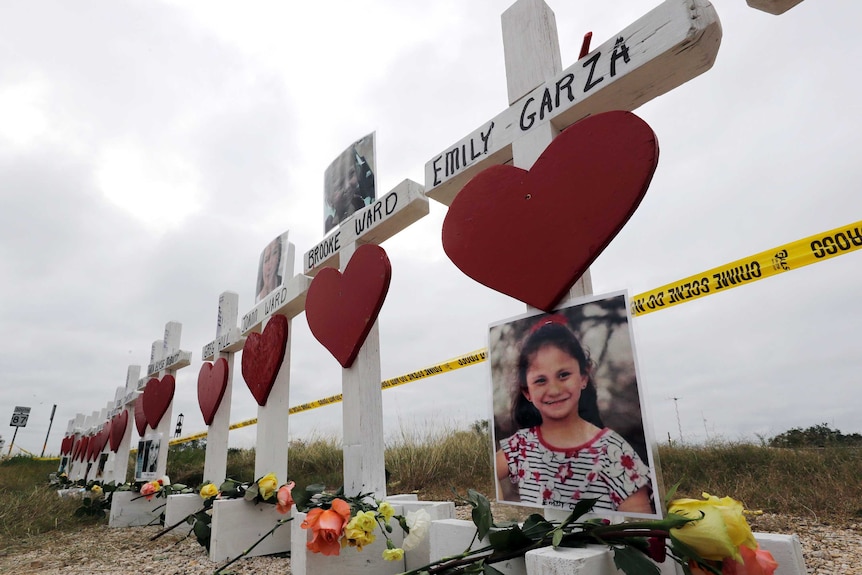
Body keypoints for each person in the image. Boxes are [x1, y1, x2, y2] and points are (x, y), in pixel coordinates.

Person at [495, 316, 653, 514]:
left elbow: (642, 527)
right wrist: (500, 514)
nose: (554, 390)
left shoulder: (613, 451)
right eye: (541, 380)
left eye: (563, 375)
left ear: (584, 376)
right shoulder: (521, 446)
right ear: (527, 392)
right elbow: (486, 475)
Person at [324, 143, 375, 233]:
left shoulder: (363, 204)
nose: (348, 186)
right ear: (329, 199)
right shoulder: (329, 226)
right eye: (339, 185)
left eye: (351, 174)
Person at [256, 236, 283, 303]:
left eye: (274, 253)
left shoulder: (283, 286)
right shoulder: (259, 299)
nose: (269, 266)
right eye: (266, 260)